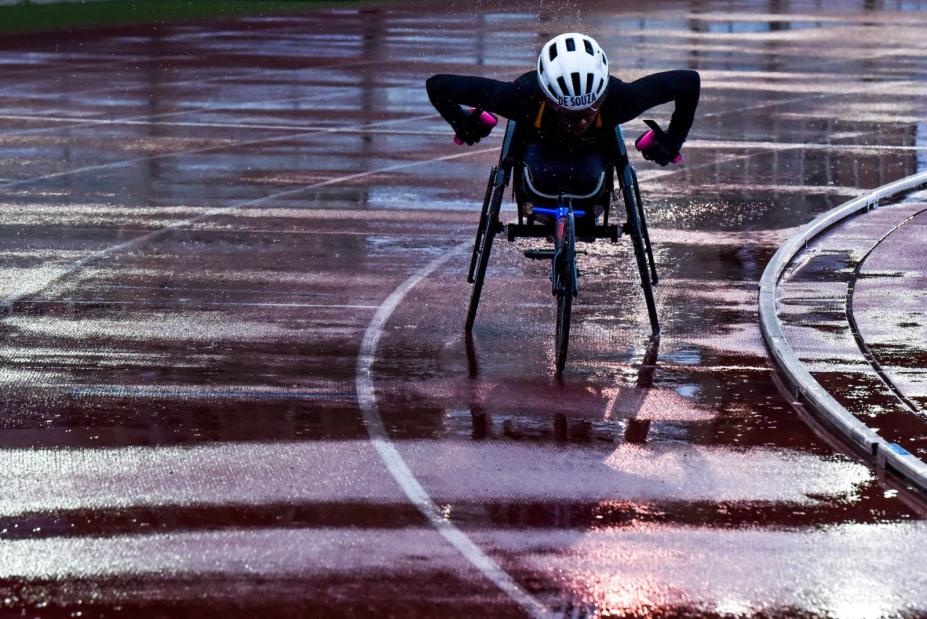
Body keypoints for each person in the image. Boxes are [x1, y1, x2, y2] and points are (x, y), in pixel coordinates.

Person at [426, 32, 699, 206]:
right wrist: (463, 123)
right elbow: (437, 85)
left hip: (594, 153)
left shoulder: (621, 100)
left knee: (590, 179)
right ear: (547, 98)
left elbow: (689, 81)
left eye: (587, 112)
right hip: (537, 145)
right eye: (565, 113)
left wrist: (674, 139)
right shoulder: (521, 97)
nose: (577, 123)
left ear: (601, 99)